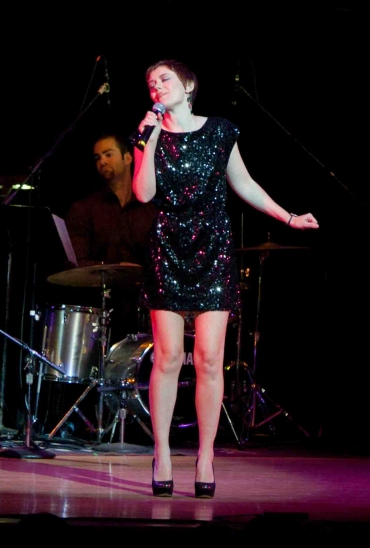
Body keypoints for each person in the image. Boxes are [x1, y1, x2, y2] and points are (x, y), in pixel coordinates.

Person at [131, 59, 319, 498]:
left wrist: (288, 218)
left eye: (165, 79)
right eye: (151, 83)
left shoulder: (219, 130)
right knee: (168, 358)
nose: (156, 86)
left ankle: (205, 455)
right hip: (167, 248)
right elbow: (143, 193)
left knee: (210, 360)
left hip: (212, 249)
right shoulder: (147, 134)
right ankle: (160, 452)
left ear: (188, 85)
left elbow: (244, 183)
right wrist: (150, 137)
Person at [62, 132, 158, 343]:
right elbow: (75, 262)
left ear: (128, 158)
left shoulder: (152, 208)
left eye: (108, 154)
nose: (102, 162)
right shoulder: (85, 208)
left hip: (145, 306)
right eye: (97, 158)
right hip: (98, 308)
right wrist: (116, 269)